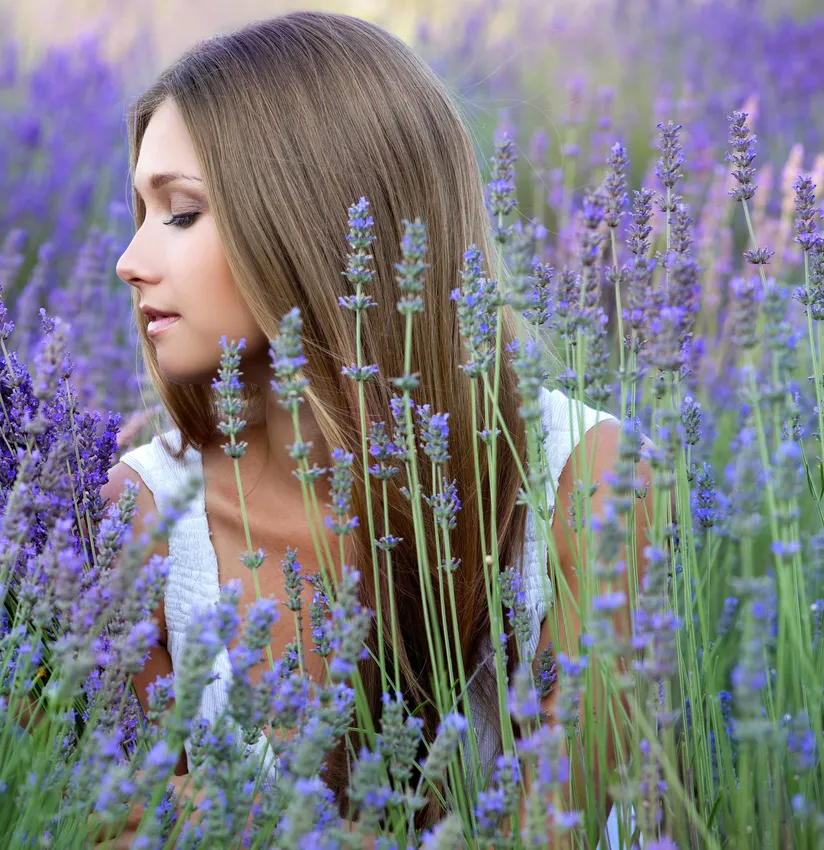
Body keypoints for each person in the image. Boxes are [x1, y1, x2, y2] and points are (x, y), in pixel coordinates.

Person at [102, 10, 650, 847]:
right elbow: (110, 815)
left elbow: (555, 833)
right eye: (140, 211)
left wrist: (241, 818)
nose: (129, 259)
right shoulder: (143, 509)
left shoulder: (587, 477)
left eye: (180, 214)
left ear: (310, 218)